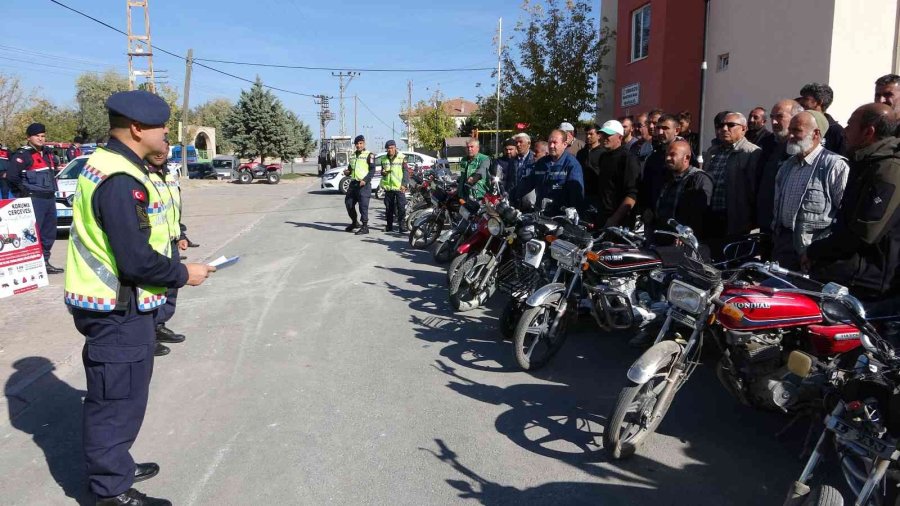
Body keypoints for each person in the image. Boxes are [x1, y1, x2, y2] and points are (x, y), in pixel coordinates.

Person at [65, 89, 214, 506]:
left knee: (121, 395)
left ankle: (116, 465)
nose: (166, 134)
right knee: (116, 401)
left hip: (113, 304)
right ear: (136, 128)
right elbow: (135, 261)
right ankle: (111, 491)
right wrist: (185, 273)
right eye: (161, 127)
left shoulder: (111, 164)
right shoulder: (119, 179)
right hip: (116, 308)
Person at [805, 103, 900, 307]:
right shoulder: (865, 162)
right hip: (849, 274)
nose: (844, 131)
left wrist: (816, 251)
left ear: (868, 132)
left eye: (850, 125)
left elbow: (865, 231)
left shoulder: (888, 169)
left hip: (869, 285)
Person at [771, 111, 848, 270]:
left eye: (797, 131)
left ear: (816, 134)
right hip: (784, 246)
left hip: (813, 249)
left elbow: (844, 215)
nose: (790, 135)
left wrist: (819, 250)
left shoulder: (834, 166)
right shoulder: (787, 166)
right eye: (790, 130)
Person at [145, 144, 189, 358]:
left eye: (164, 148)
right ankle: (146, 336)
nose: (161, 152)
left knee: (171, 286)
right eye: (157, 148)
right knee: (151, 290)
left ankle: (159, 325)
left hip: (170, 240)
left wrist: (180, 233)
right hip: (151, 243)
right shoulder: (141, 175)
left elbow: (174, 206)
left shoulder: (168, 174)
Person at [7, 123, 63, 273]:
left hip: (49, 198)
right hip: (34, 199)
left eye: (43, 136)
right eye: (37, 136)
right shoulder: (23, 154)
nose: (40, 139)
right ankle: (30, 264)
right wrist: (23, 194)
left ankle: (45, 262)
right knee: (32, 233)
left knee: (49, 232)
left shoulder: (47, 153)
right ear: (29, 137)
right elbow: (12, 177)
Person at [703, 112, 761, 254]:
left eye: (731, 125)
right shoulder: (713, 151)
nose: (724, 129)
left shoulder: (752, 153)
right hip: (710, 216)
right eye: (722, 125)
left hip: (734, 219)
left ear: (744, 129)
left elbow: (754, 190)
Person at [650, 140, 713, 241]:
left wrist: (686, 236)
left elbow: (699, 216)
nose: (668, 158)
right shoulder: (665, 177)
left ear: (686, 158)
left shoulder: (699, 179)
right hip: (660, 238)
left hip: (684, 242)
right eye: (666, 155)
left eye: (672, 155)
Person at [757, 100, 804, 235]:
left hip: (790, 228)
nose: (774, 122)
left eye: (779, 116)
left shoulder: (803, 148)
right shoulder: (767, 144)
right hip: (767, 222)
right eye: (772, 117)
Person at [515, 129, 584, 215]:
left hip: (561, 217)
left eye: (555, 143)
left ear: (564, 144)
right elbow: (527, 183)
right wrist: (511, 197)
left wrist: (573, 214)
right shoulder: (541, 163)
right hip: (540, 214)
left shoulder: (572, 165)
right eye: (549, 142)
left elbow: (576, 195)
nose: (551, 146)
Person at [592, 120, 640, 227]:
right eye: (603, 134)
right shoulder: (603, 157)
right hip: (602, 217)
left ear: (620, 137)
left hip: (620, 222)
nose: (604, 137)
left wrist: (614, 219)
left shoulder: (628, 159)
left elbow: (632, 195)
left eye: (608, 134)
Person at [638, 114, 680, 221]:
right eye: (659, 128)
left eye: (665, 128)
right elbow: (646, 184)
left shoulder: (685, 155)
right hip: (653, 217)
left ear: (677, 130)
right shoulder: (654, 155)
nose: (660, 132)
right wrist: (646, 208)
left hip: (675, 218)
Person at [798, 82, 847, 156]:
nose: (801, 102)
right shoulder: (797, 125)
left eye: (805, 98)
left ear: (819, 102)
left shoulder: (836, 132)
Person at [343, 135, 375, 235]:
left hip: (363, 185)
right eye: (357, 144)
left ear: (364, 143)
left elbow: (372, 170)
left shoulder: (370, 155)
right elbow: (350, 168)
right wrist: (347, 172)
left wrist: (365, 180)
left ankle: (365, 227)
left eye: (360, 143)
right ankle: (354, 223)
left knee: (363, 206)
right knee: (349, 203)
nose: (358, 145)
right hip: (353, 184)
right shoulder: (353, 155)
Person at [380, 140, 409, 233]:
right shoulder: (383, 159)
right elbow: (382, 171)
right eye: (388, 148)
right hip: (389, 187)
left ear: (395, 147)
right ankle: (389, 226)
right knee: (389, 208)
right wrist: (383, 172)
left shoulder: (402, 158)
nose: (390, 150)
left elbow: (405, 172)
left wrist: (404, 184)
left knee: (401, 207)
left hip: (399, 187)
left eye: (392, 148)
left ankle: (402, 226)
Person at [577, 124, 606, 214]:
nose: (588, 136)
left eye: (591, 134)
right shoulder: (581, 153)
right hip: (581, 193)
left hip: (596, 195)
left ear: (598, 135)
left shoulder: (604, 153)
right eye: (586, 134)